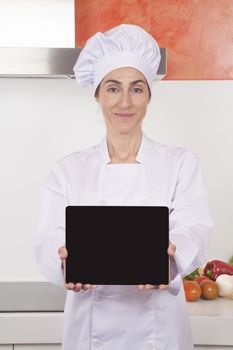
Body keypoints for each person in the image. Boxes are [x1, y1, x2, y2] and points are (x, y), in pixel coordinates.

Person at [35, 24, 214, 350]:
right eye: (113, 88)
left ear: (149, 95)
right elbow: (49, 238)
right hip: (90, 330)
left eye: (136, 88)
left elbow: (195, 228)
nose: (125, 102)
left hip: (160, 332)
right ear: (97, 94)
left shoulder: (180, 164)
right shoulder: (69, 170)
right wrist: (64, 260)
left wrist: (170, 255)